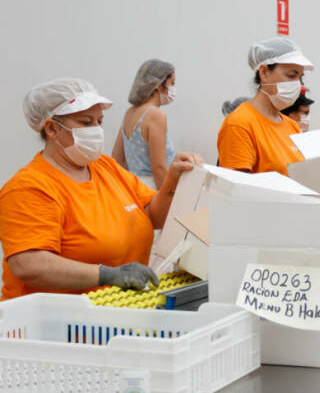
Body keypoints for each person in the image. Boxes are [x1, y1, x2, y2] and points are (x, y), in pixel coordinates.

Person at [0, 78, 202, 300]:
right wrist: (106, 275)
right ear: (52, 129)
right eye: (86, 123)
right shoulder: (29, 188)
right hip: (54, 325)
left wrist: (174, 178)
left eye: (99, 121)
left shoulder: (105, 168)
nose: (96, 130)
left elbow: (154, 216)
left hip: (112, 313)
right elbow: (29, 264)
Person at [217, 38, 313, 175]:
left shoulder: (292, 127)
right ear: (264, 73)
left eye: (300, 77)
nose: (297, 84)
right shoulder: (239, 124)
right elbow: (237, 190)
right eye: (291, 75)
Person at [112, 59, 177, 188]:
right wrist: (168, 198)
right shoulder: (156, 115)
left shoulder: (129, 113)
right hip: (153, 190)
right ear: (159, 86)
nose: (173, 89)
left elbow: (117, 158)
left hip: (133, 188)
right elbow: (158, 168)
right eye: (172, 83)